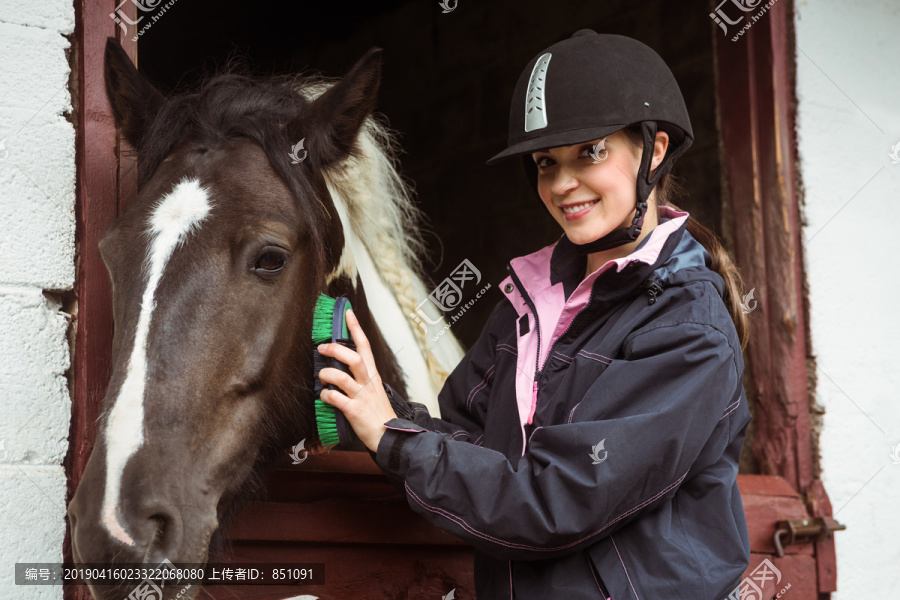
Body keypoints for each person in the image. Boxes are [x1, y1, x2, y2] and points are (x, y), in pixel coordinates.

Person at [316, 29, 752, 600]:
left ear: (655, 149)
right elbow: (469, 446)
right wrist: (376, 406)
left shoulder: (687, 330)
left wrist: (394, 440)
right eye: (547, 162)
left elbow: (558, 501)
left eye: (589, 152)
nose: (562, 184)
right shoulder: (530, 301)